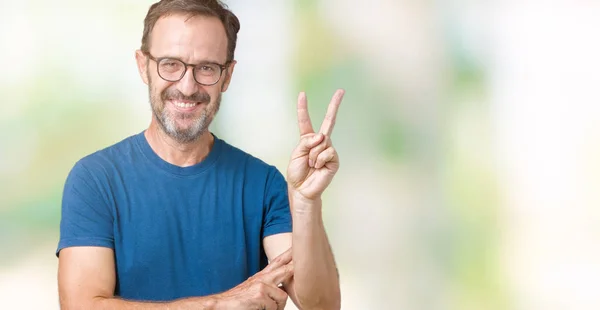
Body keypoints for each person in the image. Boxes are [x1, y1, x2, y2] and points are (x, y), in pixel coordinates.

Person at [56, 1, 344, 309]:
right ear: (143, 65)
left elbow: (320, 305)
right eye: (170, 64)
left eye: (206, 68)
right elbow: (82, 305)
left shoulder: (263, 184)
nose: (187, 86)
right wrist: (218, 304)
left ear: (228, 75)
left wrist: (305, 204)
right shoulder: (95, 180)